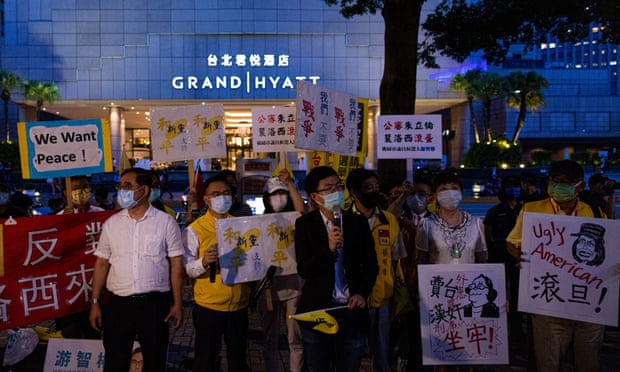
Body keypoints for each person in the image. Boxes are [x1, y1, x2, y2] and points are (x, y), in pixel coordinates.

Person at [506, 160, 605, 372]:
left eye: (566, 182)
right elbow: (512, 242)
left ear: (580, 185)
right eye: (554, 180)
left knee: (589, 363)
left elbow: (608, 251)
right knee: (547, 363)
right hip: (548, 304)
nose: (559, 186)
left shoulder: (595, 213)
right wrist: (521, 258)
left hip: (587, 305)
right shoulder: (531, 210)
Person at [89, 167, 184, 372]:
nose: (122, 190)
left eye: (128, 186)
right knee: (115, 361)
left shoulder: (165, 222)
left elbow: (176, 264)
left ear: (145, 190)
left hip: (154, 305)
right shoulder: (112, 224)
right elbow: (102, 264)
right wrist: (95, 302)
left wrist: (177, 303)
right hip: (118, 305)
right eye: (120, 186)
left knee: (155, 360)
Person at [294, 166, 378, 372]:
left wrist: (361, 293)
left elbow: (371, 265)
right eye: (328, 189)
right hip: (318, 312)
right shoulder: (305, 225)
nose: (336, 192)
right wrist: (329, 249)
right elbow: (305, 269)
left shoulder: (357, 223)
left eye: (338, 187)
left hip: (352, 312)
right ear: (315, 196)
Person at [183, 173, 252, 372]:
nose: (223, 198)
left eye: (226, 193)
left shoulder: (242, 227)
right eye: (216, 194)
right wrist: (203, 262)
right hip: (209, 308)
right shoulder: (194, 230)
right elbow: (187, 268)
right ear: (206, 199)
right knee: (206, 360)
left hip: (239, 305)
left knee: (238, 360)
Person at [346, 168, 406, 372]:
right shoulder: (343, 220)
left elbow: (397, 259)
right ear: (355, 192)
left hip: (382, 297)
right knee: (351, 354)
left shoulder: (389, 220)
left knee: (382, 355)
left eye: (376, 187)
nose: (374, 191)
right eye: (368, 188)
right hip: (352, 299)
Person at [259, 170, 305, 372]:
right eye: (274, 194)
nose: (279, 198)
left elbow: (303, 212)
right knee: (270, 339)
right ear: (266, 199)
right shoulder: (256, 224)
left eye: (283, 193)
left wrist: (291, 185)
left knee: (295, 339)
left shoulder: (295, 219)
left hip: (295, 287)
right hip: (269, 289)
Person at [55, 175, 105, 339]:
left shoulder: (101, 215)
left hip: (96, 289)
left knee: (95, 335)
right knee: (70, 336)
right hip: (70, 291)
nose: (81, 192)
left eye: (84, 187)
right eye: (75, 189)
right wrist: (64, 224)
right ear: (65, 192)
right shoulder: (57, 219)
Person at [483, 176, 524, 342]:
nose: (513, 190)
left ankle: (517, 331)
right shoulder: (495, 211)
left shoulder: (524, 210)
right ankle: (497, 331)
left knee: (517, 296)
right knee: (497, 295)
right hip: (498, 257)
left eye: (516, 187)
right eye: (510, 187)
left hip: (518, 258)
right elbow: (487, 234)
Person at [416, 171, 487, 265]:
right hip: (439, 278)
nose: (450, 193)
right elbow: (421, 261)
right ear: (435, 196)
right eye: (443, 189)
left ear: (461, 193)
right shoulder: (427, 224)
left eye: (454, 188)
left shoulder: (476, 224)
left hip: (467, 278)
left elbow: (482, 260)